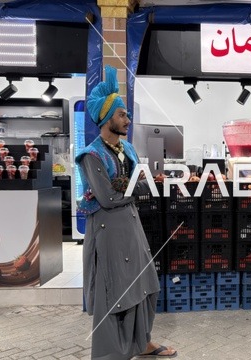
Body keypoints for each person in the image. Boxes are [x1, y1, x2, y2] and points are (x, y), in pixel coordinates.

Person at [75, 65, 176, 359]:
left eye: (126, 114)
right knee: (115, 292)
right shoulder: (91, 155)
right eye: (122, 115)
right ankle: (110, 353)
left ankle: (142, 343)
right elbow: (106, 197)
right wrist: (143, 188)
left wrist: (150, 181)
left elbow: (132, 184)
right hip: (107, 230)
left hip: (131, 226)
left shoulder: (128, 149)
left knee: (146, 286)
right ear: (106, 119)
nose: (127, 119)